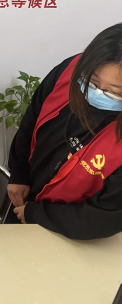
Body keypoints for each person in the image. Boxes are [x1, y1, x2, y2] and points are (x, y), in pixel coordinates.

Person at [7, 23, 122, 240]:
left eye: (114, 91)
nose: (98, 92)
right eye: (93, 81)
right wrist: (18, 173)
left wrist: (37, 214)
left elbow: (106, 217)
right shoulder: (69, 71)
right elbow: (33, 117)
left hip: (72, 229)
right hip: (27, 194)